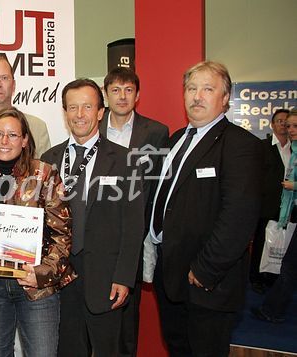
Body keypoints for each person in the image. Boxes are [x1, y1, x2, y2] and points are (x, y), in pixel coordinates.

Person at [149, 61, 262, 357]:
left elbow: (239, 217)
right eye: (191, 88)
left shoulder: (239, 145)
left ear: (225, 98)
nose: (197, 96)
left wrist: (205, 269)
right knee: (178, 349)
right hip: (171, 274)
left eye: (208, 89)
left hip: (207, 281)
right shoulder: (175, 140)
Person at [41, 78, 145, 356]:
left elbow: (134, 224)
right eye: (72, 107)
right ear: (65, 114)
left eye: (87, 107)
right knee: (66, 350)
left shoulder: (125, 160)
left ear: (101, 112)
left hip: (105, 277)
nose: (79, 114)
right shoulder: (48, 159)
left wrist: (124, 276)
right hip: (59, 277)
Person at [0, 107, 75, 357]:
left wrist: (41, 273)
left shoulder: (45, 174)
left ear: (25, 139)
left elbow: (63, 234)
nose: (5, 141)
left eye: (13, 135)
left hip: (35, 286)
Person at [100, 67, 169, 357]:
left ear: (138, 95)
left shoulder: (155, 132)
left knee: (128, 310)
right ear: (105, 95)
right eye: (115, 90)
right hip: (97, 233)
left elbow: (157, 185)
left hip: (134, 234)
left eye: (128, 90)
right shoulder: (93, 125)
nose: (122, 96)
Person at [251, 108, 297, 323]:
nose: (286, 128)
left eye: (290, 125)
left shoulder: (293, 150)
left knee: (286, 255)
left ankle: (272, 293)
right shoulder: (263, 147)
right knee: (263, 242)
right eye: (283, 124)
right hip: (269, 203)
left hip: (288, 207)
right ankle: (259, 281)